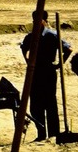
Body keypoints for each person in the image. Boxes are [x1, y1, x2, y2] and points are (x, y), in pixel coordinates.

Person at [21, 10, 72, 141]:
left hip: (48, 72)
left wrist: (60, 64)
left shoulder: (52, 35)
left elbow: (68, 49)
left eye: (37, 21)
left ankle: (54, 134)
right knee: (36, 105)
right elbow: (23, 48)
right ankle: (41, 134)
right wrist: (28, 62)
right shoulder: (30, 36)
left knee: (50, 104)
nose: (35, 23)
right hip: (35, 73)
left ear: (44, 21)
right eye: (33, 21)